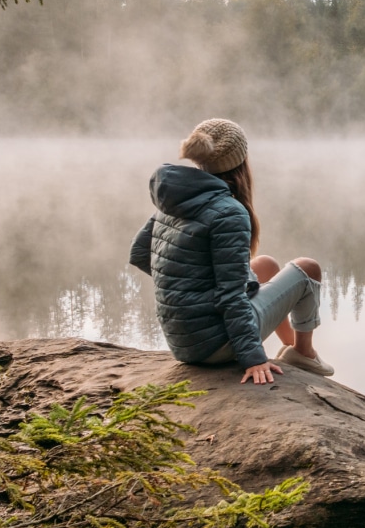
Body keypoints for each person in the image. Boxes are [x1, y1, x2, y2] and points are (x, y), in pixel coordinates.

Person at [129, 118, 334, 383]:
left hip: (183, 341)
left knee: (266, 265)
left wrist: (189, 286)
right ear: (239, 160)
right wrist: (254, 357)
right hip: (215, 345)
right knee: (308, 268)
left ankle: (291, 349)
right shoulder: (229, 212)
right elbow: (231, 296)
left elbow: (139, 253)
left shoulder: (175, 198)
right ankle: (304, 353)